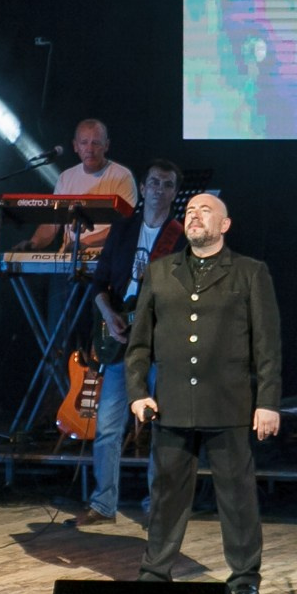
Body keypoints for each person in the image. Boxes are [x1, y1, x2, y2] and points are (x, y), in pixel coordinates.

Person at [126, 190, 282, 594]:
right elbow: (139, 343)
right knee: (166, 495)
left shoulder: (249, 272)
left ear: (224, 225)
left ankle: (245, 574)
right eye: (191, 211)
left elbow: (267, 345)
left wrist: (267, 401)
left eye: (205, 210)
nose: (195, 216)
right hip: (172, 403)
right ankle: (155, 570)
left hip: (229, 403)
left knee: (237, 495)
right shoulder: (160, 273)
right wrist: (138, 393)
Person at [82, 159, 186, 525]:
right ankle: (102, 504)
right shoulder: (123, 230)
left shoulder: (181, 237)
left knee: (162, 429)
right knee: (108, 427)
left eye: (167, 184)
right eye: (154, 182)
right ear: (143, 188)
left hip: (159, 345)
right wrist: (109, 316)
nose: (159, 189)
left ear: (175, 192)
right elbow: (97, 285)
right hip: (119, 339)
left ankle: (157, 506)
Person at [28, 119, 138, 254]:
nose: (90, 149)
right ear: (75, 146)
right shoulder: (65, 177)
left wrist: (85, 243)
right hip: (68, 259)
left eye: (96, 143)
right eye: (84, 143)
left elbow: (126, 225)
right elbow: (53, 223)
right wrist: (33, 243)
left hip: (105, 260)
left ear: (106, 145)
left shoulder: (122, 176)